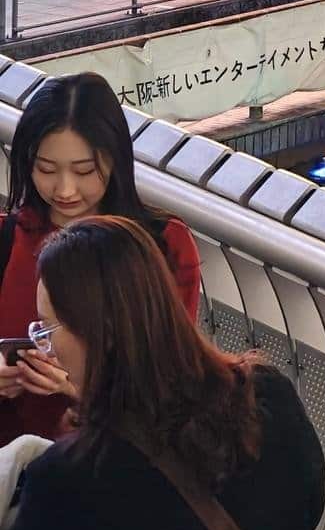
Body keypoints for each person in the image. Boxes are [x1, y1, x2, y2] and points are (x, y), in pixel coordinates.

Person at [0, 215, 325, 530]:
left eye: (49, 331)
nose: (47, 350)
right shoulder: (267, 397)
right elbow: (306, 507)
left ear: (98, 332)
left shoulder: (71, 477)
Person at [0, 73, 201, 450]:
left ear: (116, 160)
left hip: (113, 465)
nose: (65, 190)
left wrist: (79, 388)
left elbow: (173, 380)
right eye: (46, 169)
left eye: (84, 171)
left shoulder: (163, 244)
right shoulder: (6, 238)